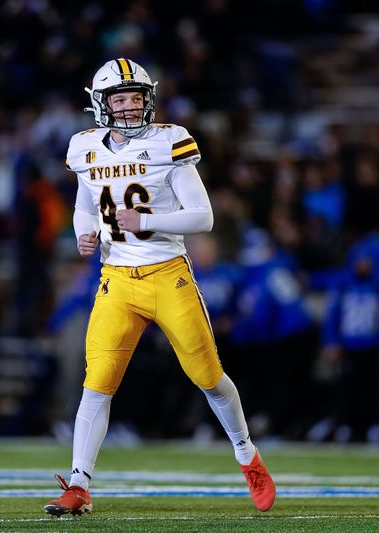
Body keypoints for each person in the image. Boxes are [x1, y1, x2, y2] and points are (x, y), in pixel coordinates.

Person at [43, 58, 275, 517]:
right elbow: (85, 203)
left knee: (208, 377)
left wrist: (145, 219)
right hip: (117, 280)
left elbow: (203, 217)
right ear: (100, 103)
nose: (129, 107)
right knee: (98, 384)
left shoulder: (168, 141)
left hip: (168, 273)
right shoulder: (85, 146)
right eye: (119, 99)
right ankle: (78, 484)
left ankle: (246, 452)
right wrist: (83, 233)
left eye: (134, 98)